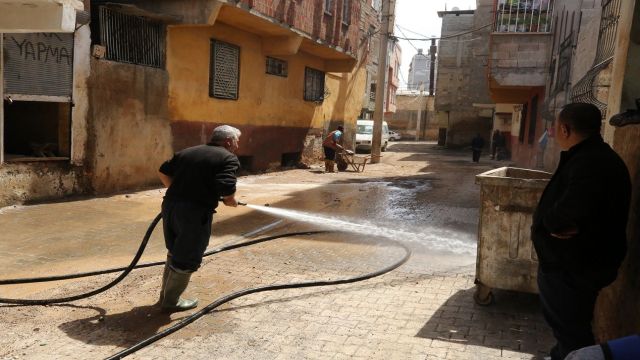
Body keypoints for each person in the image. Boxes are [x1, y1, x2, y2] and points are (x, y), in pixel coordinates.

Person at [532, 103, 631, 360]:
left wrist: (550, 223)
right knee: (567, 330)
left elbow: (571, 208)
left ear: (565, 128)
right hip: (579, 264)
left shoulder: (590, 162)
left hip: (573, 267)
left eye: (556, 127)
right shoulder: (593, 157)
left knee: (572, 335)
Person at [157, 125, 241, 312]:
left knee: (174, 250)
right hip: (194, 213)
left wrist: (178, 192)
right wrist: (231, 201)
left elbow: (163, 171)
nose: (237, 145)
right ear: (228, 141)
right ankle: (171, 302)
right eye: (236, 141)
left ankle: (165, 296)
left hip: (170, 207)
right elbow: (226, 188)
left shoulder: (188, 152)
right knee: (188, 255)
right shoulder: (228, 158)